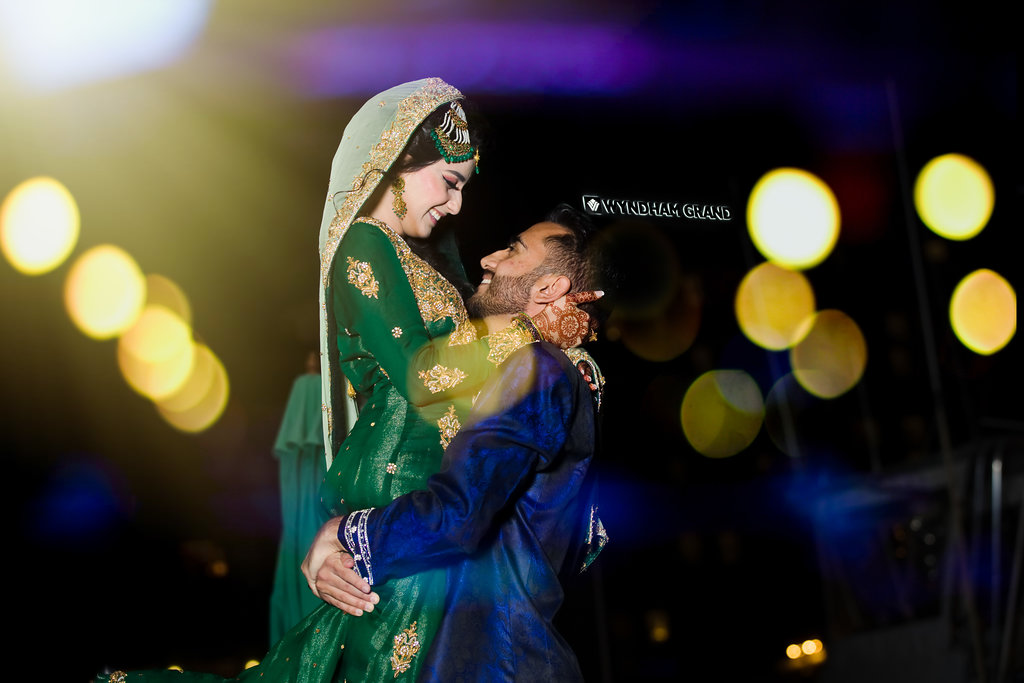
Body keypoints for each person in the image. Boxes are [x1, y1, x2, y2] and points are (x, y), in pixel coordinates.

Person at [96, 79, 597, 683]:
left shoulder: (427, 261)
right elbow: (424, 372)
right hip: (402, 471)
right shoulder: (365, 243)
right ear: (400, 163)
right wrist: (527, 328)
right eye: (450, 182)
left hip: (435, 479)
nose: (458, 206)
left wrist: (564, 345)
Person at [303, 205, 609, 682]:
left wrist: (343, 532)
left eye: (513, 250)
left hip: (496, 662)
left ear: (550, 289)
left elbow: (457, 514)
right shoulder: (559, 372)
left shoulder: (537, 368)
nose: (488, 259)